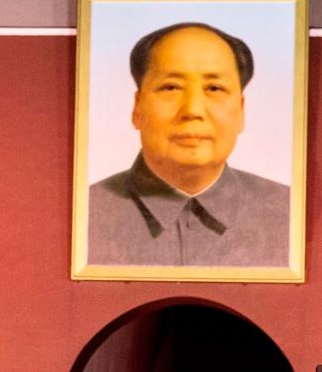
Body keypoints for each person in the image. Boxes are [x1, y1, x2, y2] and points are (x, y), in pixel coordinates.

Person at [88, 22, 289, 267]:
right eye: (171, 87)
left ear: (241, 111)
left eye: (214, 88)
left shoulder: (288, 214)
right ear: (137, 108)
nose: (192, 110)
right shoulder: (86, 213)